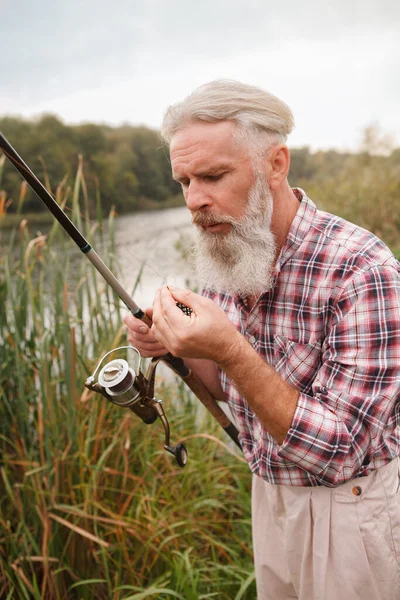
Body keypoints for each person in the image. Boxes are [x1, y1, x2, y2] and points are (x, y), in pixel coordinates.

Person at [124, 80, 400, 600]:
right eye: (183, 181)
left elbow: (340, 450)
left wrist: (227, 345)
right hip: (268, 497)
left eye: (212, 175)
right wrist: (172, 345)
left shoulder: (364, 270)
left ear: (276, 164)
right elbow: (231, 386)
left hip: (351, 508)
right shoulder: (230, 247)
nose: (194, 200)